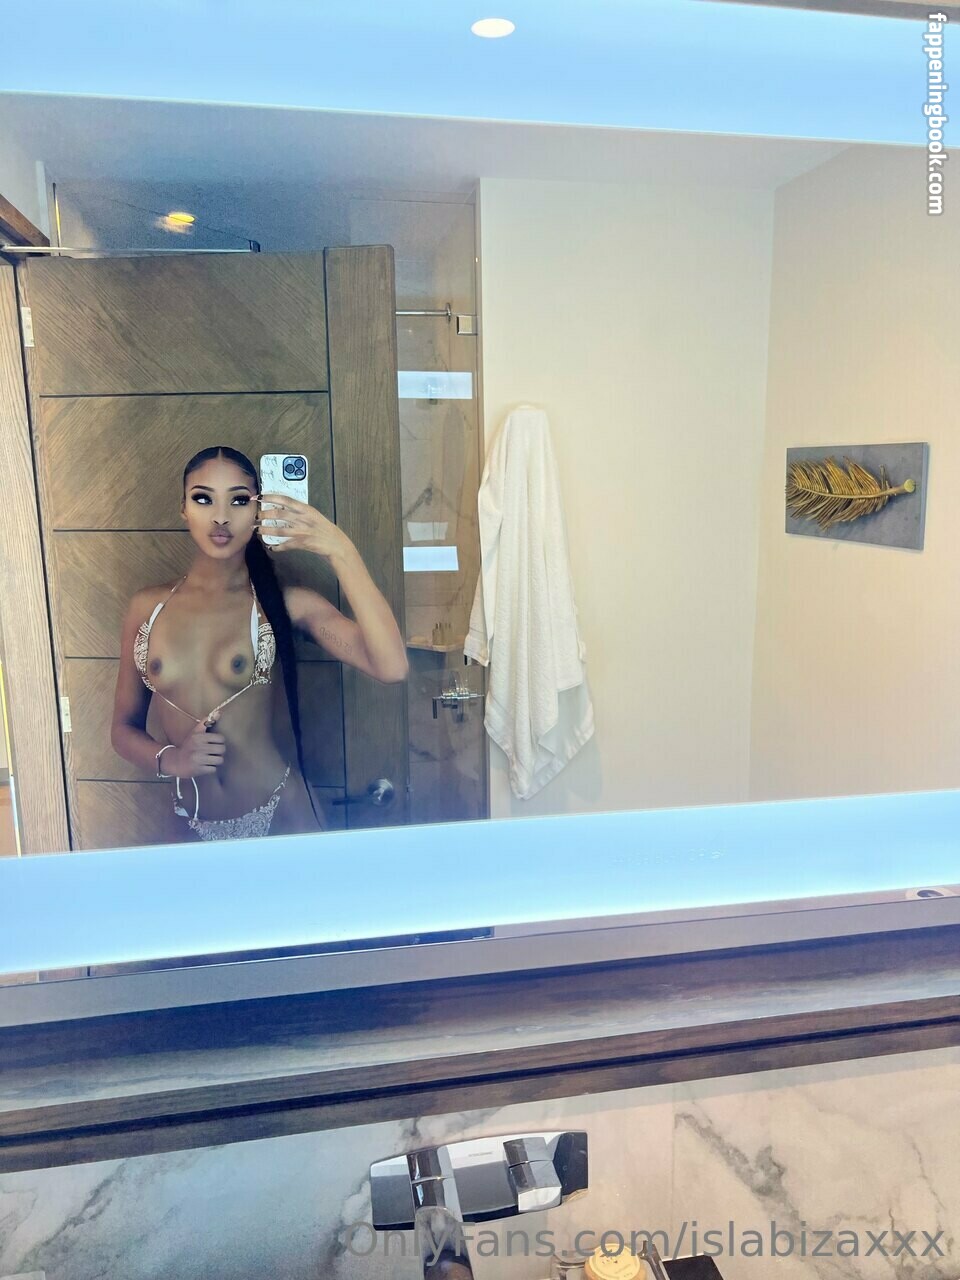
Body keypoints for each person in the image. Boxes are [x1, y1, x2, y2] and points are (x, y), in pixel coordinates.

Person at [111, 446, 408, 840]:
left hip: (281, 815)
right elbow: (122, 729)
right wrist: (172, 760)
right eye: (203, 499)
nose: (221, 516)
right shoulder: (147, 607)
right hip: (187, 822)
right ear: (183, 508)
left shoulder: (284, 604)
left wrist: (339, 550)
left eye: (238, 500)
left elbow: (392, 666)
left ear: (258, 510)